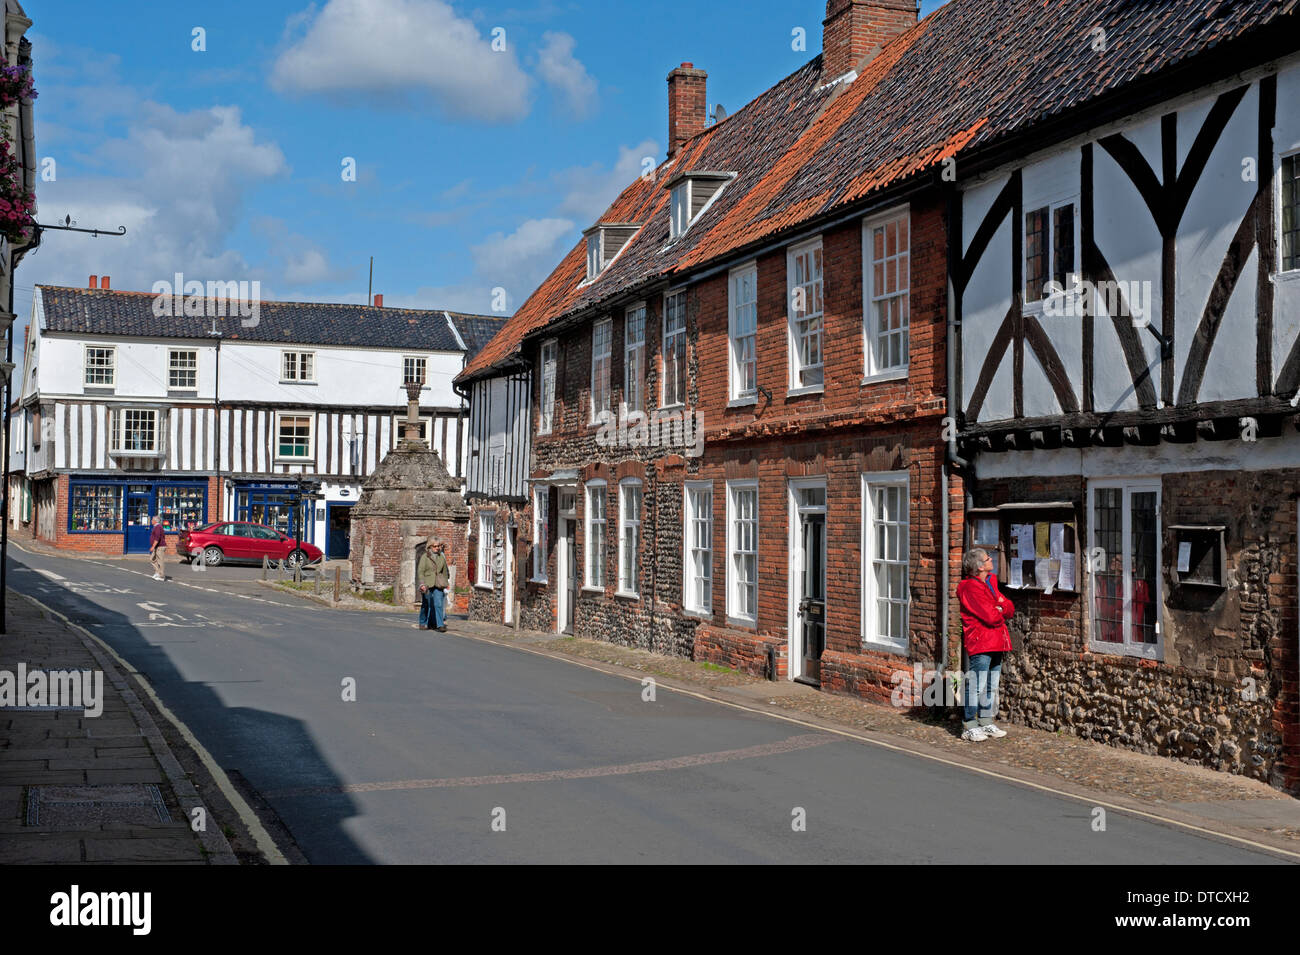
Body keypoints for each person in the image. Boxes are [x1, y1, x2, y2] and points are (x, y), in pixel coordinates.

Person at [956, 548, 1014, 741]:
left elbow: (1009, 608)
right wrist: (999, 607)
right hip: (981, 642)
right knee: (976, 684)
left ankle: (985, 721)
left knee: (991, 684)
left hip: (997, 640)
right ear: (980, 566)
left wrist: (1000, 606)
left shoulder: (990, 582)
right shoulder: (970, 588)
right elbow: (991, 616)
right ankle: (969, 724)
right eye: (988, 559)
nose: (992, 560)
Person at [429, 541, 450, 632]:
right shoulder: (426, 556)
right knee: (430, 604)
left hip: (439, 583)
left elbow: (446, 571)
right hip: (429, 583)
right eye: (436, 546)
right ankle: (431, 622)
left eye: (440, 546)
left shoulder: (442, 556)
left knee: (439, 603)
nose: (438, 548)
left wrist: (446, 582)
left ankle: (440, 624)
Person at [149, 515, 167, 581]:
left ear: (155, 521)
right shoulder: (156, 527)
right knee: (152, 559)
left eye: (152, 520)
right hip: (157, 547)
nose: (151, 521)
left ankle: (161, 576)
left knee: (160, 561)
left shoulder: (158, 527)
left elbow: (157, 538)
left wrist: (153, 546)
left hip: (160, 547)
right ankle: (157, 572)